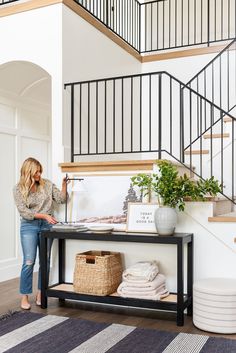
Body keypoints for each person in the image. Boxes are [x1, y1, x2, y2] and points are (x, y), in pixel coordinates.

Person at [13, 157, 68, 310]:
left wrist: (64, 186)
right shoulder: (18, 189)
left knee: (45, 261)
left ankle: (40, 293)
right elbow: (24, 212)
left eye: (40, 171)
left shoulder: (48, 184)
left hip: (46, 226)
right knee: (29, 261)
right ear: (28, 172)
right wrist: (44, 215)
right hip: (28, 226)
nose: (39, 174)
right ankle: (24, 296)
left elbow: (61, 199)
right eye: (36, 172)